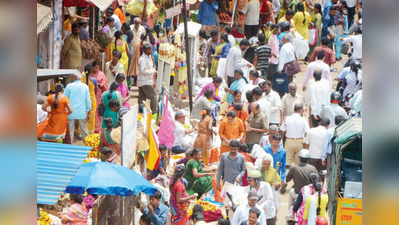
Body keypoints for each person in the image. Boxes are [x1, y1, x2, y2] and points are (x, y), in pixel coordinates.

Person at [64, 72, 91, 142]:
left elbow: (64, 98)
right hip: (81, 112)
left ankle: (70, 146)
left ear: (75, 77)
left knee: (70, 131)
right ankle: (87, 145)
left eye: (71, 76)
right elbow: (88, 100)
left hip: (70, 112)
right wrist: (88, 111)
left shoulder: (69, 86)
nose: (70, 78)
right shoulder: (85, 86)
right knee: (84, 130)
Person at [321, 115, 345, 185]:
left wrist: (323, 157)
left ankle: (329, 189)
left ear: (334, 122)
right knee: (340, 172)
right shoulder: (346, 130)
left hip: (331, 155)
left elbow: (325, 144)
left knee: (329, 173)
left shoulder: (330, 131)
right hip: (341, 155)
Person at [138, 43, 157, 113]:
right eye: (147, 50)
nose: (149, 51)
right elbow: (143, 70)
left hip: (147, 80)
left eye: (150, 50)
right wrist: (152, 71)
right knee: (154, 95)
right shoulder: (143, 59)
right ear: (144, 50)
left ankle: (141, 112)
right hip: (144, 81)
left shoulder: (149, 57)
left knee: (142, 98)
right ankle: (154, 112)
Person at [91, 61, 109, 133]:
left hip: (99, 94)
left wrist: (102, 85)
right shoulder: (90, 74)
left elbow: (106, 84)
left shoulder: (102, 74)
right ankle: (92, 126)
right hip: (92, 93)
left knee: (98, 110)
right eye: (95, 68)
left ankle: (98, 127)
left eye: (97, 68)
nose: (96, 69)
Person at [81, 64, 97, 135]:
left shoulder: (81, 80)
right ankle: (90, 133)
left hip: (83, 100)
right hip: (92, 100)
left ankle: (81, 133)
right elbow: (96, 91)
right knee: (91, 118)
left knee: (83, 117)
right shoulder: (93, 80)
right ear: (91, 72)